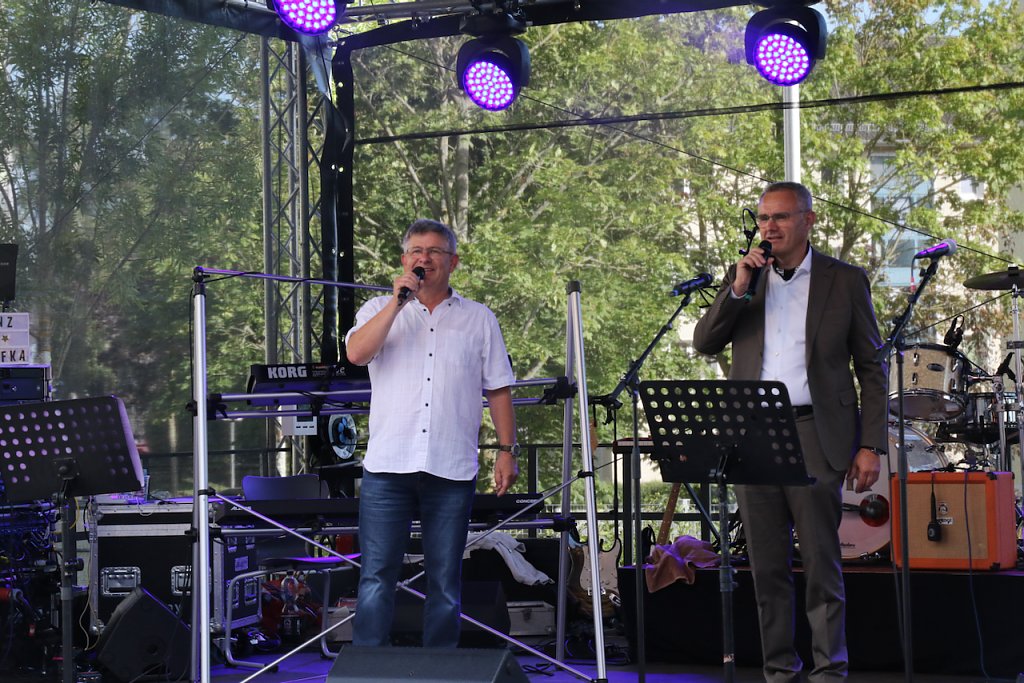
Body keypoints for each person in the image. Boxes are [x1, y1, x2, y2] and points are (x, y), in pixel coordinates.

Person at [692, 181, 888, 682]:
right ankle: (780, 672)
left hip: (815, 432)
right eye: (763, 218)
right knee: (766, 568)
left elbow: (871, 368)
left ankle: (829, 672)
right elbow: (705, 342)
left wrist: (870, 444)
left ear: (808, 220)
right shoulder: (746, 278)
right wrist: (737, 288)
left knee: (822, 563)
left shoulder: (844, 280)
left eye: (779, 217)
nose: (769, 227)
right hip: (752, 434)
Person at [345, 218, 519, 648]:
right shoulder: (378, 309)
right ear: (404, 260)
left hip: (450, 467)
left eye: (435, 252)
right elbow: (356, 354)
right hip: (388, 467)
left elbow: (498, 389)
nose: (424, 258)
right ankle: (368, 670)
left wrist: (506, 450)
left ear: (452, 262)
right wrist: (397, 304)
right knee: (377, 576)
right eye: (416, 251)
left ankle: (440, 667)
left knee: (445, 579)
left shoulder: (479, 318)